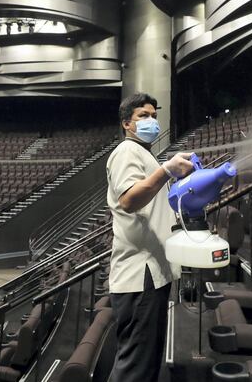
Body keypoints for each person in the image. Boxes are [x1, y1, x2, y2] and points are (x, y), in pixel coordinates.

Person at [107, 92, 194, 382]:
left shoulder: (145, 154)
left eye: (154, 116)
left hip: (153, 272)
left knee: (146, 361)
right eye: (143, 116)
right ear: (126, 124)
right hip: (140, 274)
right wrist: (168, 169)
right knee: (136, 367)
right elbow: (129, 200)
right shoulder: (126, 151)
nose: (151, 121)